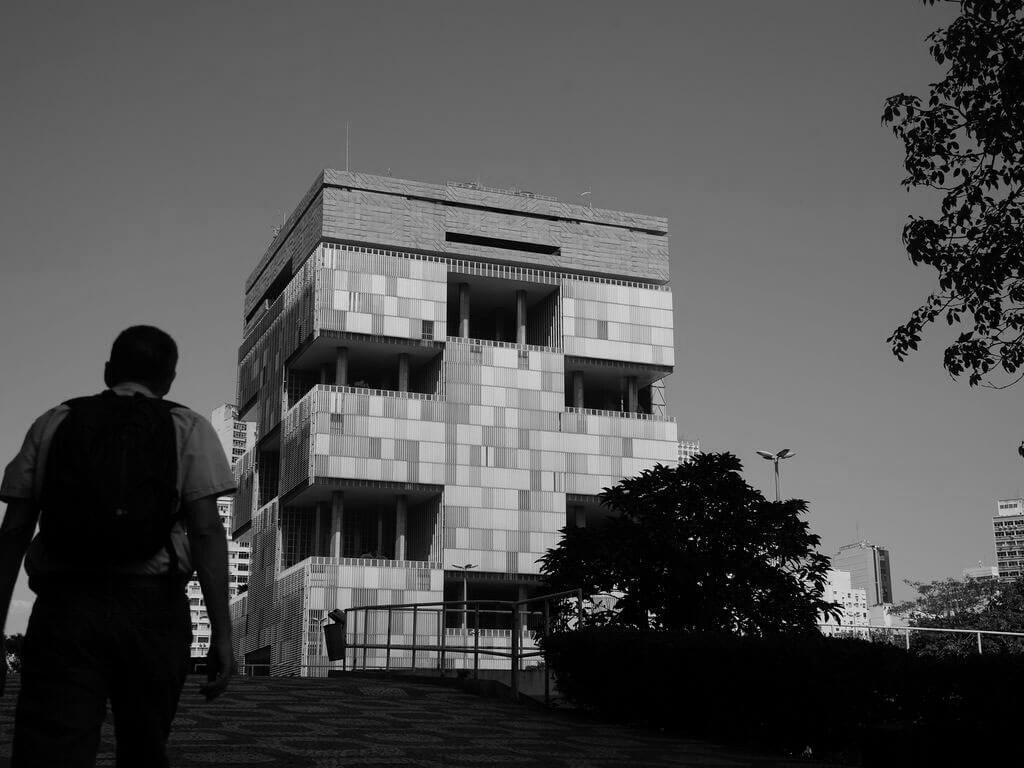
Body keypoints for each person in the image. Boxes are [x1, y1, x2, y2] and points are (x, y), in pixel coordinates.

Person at [0, 325, 237, 767]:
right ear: (169, 378)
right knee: (144, 746)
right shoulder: (187, 426)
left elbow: (14, 531)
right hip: (154, 611)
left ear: (108, 371)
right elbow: (207, 532)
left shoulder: (54, 421)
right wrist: (222, 634)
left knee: (52, 747)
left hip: (65, 606)